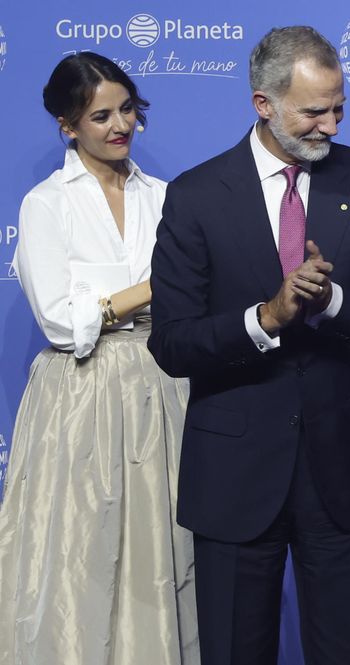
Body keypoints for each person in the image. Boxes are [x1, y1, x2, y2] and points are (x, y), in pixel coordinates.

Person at [147, 26, 350, 665]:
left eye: (339, 108)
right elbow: (174, 344)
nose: (330, 124)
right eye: (314, 111)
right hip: (235, 477)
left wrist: (331, 302)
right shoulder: (195, 195)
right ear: (262, 104)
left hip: (342, 470)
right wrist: (267, 316)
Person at [0, 53, 198, 664]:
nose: (121, 126)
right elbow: (62, 320)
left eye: (128, 109)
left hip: (167, 383)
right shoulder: (46, 204)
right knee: (81, 553)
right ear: (68, 125)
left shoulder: (168, 197)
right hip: (80, 395)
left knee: (167, 551)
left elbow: (195, 295)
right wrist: (155, 286)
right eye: (100, 115)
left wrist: (121, 299)